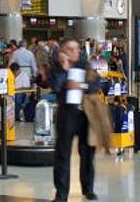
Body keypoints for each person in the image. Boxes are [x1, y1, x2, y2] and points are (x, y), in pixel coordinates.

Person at [50, 38, 98, 202]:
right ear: (62, 51)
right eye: (70, 49)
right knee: (62, 154)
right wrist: (64, 69)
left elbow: (95, 85)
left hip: (85, 114)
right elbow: (56, 87)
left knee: (87, 154)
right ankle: (61, 194)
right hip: (67, 114)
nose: (74, 52)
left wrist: (80, 86)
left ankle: (88, 188)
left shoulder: (85, 64)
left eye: (76, 49)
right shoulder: (56, 67)